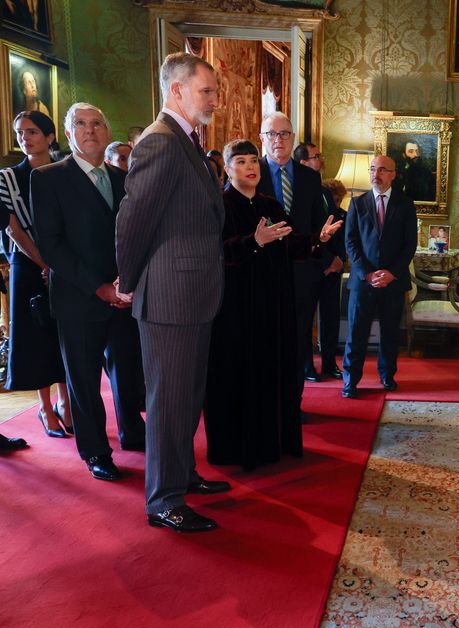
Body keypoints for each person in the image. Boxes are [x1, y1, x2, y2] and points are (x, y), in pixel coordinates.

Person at [116, 52, 232, 533]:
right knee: (168, 401)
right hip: (169, 297)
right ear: (177, 90)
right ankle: (163, 500)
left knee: (188, 396)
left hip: (194, 294)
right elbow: (132, 222)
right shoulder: (162, 142)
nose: (214, 100)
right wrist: (129, 281)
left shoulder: (189, 143)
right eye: (207, 91)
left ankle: (182, 475)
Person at [204, 139, 341, 469]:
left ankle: (273, 444)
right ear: (227, 168)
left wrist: (316, 240)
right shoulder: (220, 205)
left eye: (253, 161)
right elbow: (217, 252)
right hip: (236, 310)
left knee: (271, 371)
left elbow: (290, 243)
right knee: (239, 375)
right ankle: (240, 451)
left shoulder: (270, 204)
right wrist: (254, 242)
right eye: (241, 162)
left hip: (273, 304)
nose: (250, 167)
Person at [31, 103, 147, 481]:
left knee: (128, 373)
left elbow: (132, 236)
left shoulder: (122, 177)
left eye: (98, 123)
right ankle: (96, 451)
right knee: (83, 381)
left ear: (107, 130)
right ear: (68, 134)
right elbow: (51, 244)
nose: (90, 130)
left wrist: (125, 283)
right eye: (81, 124)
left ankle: (133, 432)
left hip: (123, 296)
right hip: (79, 297)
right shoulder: (48, 178)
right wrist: (97, 287)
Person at [0, 110, 68, 444]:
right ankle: (45, 407)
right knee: (38, 339)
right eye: (19, 133)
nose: (25, 138)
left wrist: (59, 264)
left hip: (66, 266)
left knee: (66, 337)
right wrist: (44, 264)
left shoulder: (65, 173)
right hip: (28, 268)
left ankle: (67, 401)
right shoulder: (8, 178)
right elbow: (12, 228)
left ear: (50, 136)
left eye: (32, 132)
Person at [255, 114, 333, 388]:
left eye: (284, 134)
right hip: (261, 277)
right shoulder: (251, 174)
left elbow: (318, 225)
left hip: (301, 276)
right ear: (261, 139)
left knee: (299, 341)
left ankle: (293, 403)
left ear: (293, 137)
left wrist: (318, 261)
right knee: (264, 343)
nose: (278, 140)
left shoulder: (310, 178)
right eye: (271, 134)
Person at [342, 155, 417, 399]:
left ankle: (387, 375)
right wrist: (367, 273)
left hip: (392, 282)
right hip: (364, 281)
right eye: (373, 169)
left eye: (382, 170)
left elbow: (410, 245)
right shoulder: (357, 203)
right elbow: (351, 242)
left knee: (390, 332)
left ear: (393, 174)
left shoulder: (405, 204)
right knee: (356, 333)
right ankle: (351, 380)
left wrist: (391, 273)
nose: (376, 174)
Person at [293, 141, 346, 379]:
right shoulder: (296, 191)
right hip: (311, 266)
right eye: (316, 157)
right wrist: (326, 261)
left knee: (331, 316)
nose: (321, 160)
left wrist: (338, 259)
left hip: (332, 266)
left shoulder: (324, 190)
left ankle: (329, 363)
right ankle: (306, 365)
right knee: (305, 320)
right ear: (303, 163)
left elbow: (334, 228)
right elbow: (306, 232)